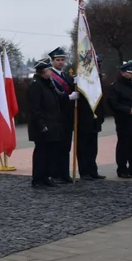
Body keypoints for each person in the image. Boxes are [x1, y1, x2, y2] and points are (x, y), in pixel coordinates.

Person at [28, 60, 65, 188]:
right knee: (41, 153)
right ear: (44, 72)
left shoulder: (48, 84)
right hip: (42, 126)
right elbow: (35, 108)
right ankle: (38, 178)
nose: (52, 73)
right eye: (50, 70)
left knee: (50, 152)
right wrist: (41, 124)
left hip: (52, 124)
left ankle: (46, 177)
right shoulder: (36, 85)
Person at [47, 47, 80, 183]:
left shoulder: (66, 76)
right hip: (57, 116)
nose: (60, 62)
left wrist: (78, 83)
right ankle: (55, 174)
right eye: (58, 60)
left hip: (67, 116)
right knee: (57, 147)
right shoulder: (51, 77)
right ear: (52, 61)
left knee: (66, 146)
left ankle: (64, 173)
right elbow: (53, 97)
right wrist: (69, 97)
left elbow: (72, 88)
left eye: (62, 60)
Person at [75, 55, 106, 180]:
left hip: (95, 119)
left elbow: (101, 100)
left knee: (93, 148)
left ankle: (93, 170)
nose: (97, 66)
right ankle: (84, 171)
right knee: (83, 147)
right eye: (95, 64)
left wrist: (101, 117)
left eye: (98, 63)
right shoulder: (81, 80)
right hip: (83, 119)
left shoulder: (98, 79)